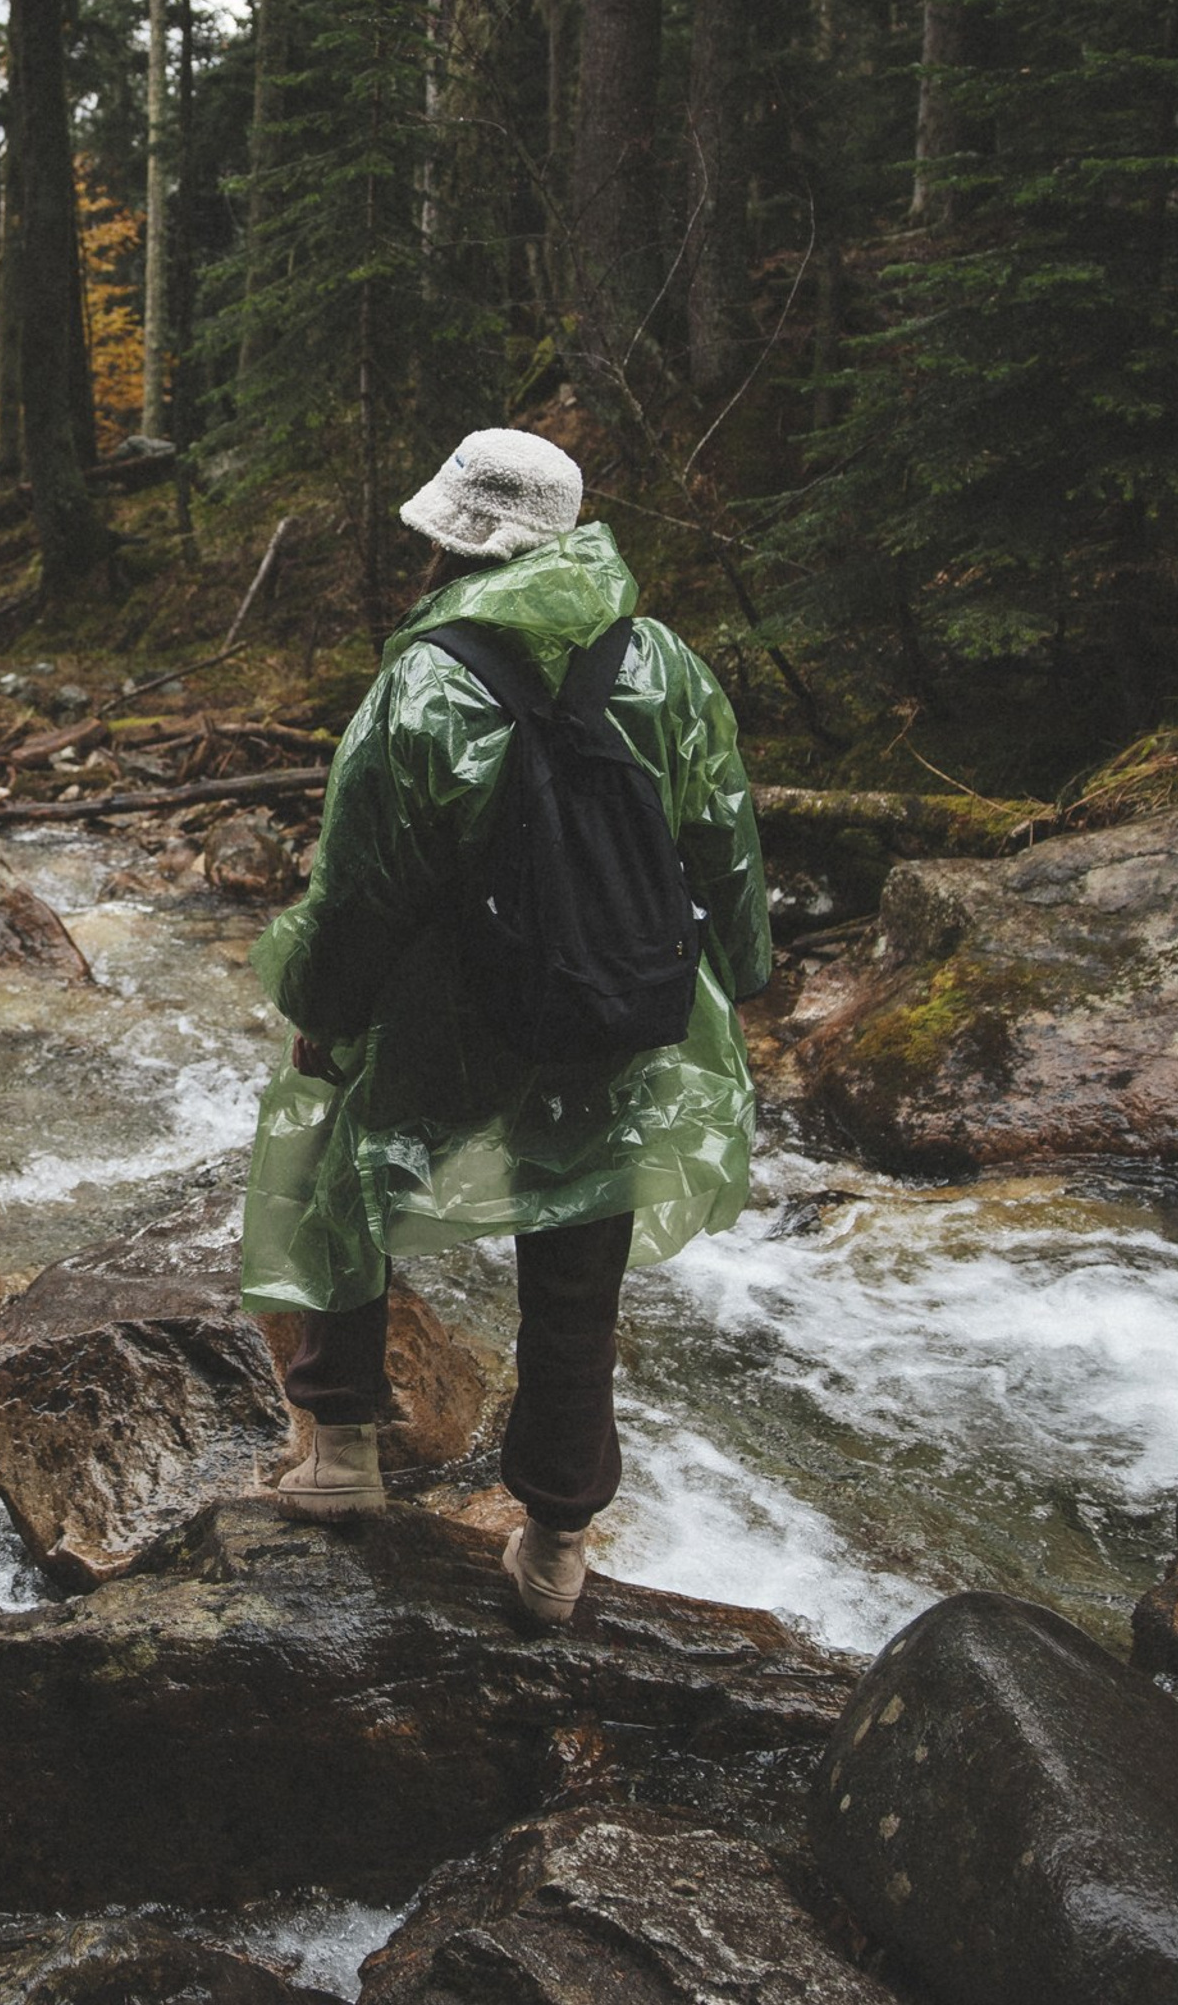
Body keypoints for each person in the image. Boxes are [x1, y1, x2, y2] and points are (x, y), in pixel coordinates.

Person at [240, 428, 770, 1622]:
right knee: (578, 1272)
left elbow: (362, 886)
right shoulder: (663, 662)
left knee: (340, 1173)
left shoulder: (424, 684)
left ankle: (339, 1451)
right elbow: (722, 831)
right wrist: (741, 974)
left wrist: (321, 1024)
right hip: (622, 1012)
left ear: (446, 537)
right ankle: (555, 1543)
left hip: (454, 1015)